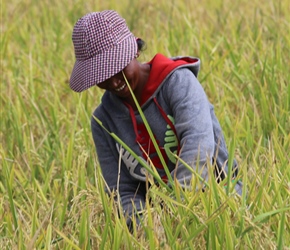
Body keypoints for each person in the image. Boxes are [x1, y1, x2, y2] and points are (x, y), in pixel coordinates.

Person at [70, 10, 242, 229]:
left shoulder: (178, 82)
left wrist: (178, 212)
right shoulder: (103, 122)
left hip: (217, 203)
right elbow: (122, 190)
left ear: (135, 52)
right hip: (157, 223)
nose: (114, 82)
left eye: (118, 68)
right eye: (102, 76)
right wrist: (149, 229)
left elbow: (198, 144)